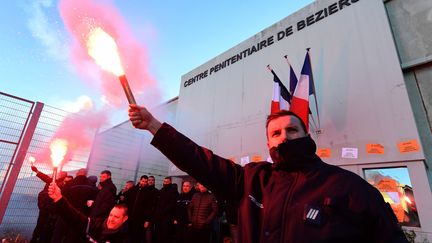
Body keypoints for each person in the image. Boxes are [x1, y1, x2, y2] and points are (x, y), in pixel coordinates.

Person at [128, 105, 408, 243]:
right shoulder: (252, 179)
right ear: (268, 143)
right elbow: (200, 160)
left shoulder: (348, 186)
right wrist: (154, 125)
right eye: (276, 133)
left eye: (292, 130)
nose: (284, 137)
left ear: (306, 134)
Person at [47, 182, 129, 243]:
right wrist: (59, 198)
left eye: (116, 217)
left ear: (124, 219)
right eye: (111, 215)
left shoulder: (124, 239)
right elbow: (75, 217)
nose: (111, 219)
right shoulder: (96, 225)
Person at [153, 177, 179, 243]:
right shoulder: (161, 190)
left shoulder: (173, 191)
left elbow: (172, 205)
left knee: (165, 235)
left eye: (167, 182)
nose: (165, 183)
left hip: (167, 218)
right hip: (159, 217)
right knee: (157, 233)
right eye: (164, 181)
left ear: (170, 182)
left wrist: (162, 212)